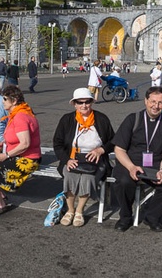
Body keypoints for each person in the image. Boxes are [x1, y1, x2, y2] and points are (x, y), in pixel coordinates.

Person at [111, 86, 162, 232]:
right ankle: (125, 216)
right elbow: (119, 149)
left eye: (160, 102)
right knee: (123, 182)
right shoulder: (132, 119)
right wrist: (130, 167)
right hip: (131, 162)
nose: (156, 106)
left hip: (156, 164)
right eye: (153, 101)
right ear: (146, 101)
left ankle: (152, 217)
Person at [53, 88, 115, 227]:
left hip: (96, 158)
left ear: (91, 102)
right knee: (69, 175)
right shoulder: (67, 120)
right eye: (80, 103)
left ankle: (79, 211)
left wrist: (101, 149)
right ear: (74, 104)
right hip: (73, 157)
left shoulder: (101, 119)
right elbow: (57, 143)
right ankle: (70, 210)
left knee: (88, 177)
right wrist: (66, 160)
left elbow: (113, 140)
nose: (84, 105)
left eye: (87, 102)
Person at [0, 85, 41, 212]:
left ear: (14, 101)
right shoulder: (19, 113)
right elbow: (17, 136)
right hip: (22, 155)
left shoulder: (20, 117)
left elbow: (25, 143)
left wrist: (6, 155)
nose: (2, 102)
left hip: (27, 159)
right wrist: (3, 142)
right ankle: (0, 195)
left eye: (5, 99)